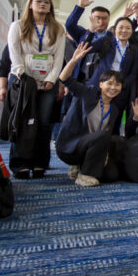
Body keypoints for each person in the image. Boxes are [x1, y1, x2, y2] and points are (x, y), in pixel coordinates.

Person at [6, 0, 66, 178]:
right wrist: (22, 74)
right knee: (23, 121)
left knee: (44, 123)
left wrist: (52, 79)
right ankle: (20, 164)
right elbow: (14, 51)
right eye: (39, 1)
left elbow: (59, 58)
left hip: (48, 81)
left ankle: (40, 163)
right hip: (23, 79)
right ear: (30, 4)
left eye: (47, 2)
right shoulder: (18, 25)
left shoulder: (58, 28)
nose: (43, 4)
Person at [56, 43, 123, 187]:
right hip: (70, 146)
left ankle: (81, 166)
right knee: (101, 136)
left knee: (112, 176)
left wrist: (104, 153)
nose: (113, 87)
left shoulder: (114, 110)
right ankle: (85, 175)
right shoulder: (88, 93)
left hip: (92, 148)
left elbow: (106, 136)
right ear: (100, 84)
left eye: (117, 84)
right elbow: (64, 78)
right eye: (109, 83)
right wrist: (74, 61)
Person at [86, 16, 138, 133]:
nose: (124, 31)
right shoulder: (105, 42)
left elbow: (133, 72)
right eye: (121, 27)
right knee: (91, 119)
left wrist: (121, 85)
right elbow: (86, 47)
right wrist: (91, 30)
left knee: (114, 122)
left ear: (132, 31)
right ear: (115, 29)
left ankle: (111, 144)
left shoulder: (134, 49)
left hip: (119, 91)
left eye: (128, 28)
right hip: (99, 87)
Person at [65, 0, 112, 82]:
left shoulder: (113, 37)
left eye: (104, 18)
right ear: (91, 18)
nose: (101, 21)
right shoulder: (83, 33)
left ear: (109, 19)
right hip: (80, 79)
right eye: (97, 17)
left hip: (102, 81)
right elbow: (69, 25)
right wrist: (80, 7)